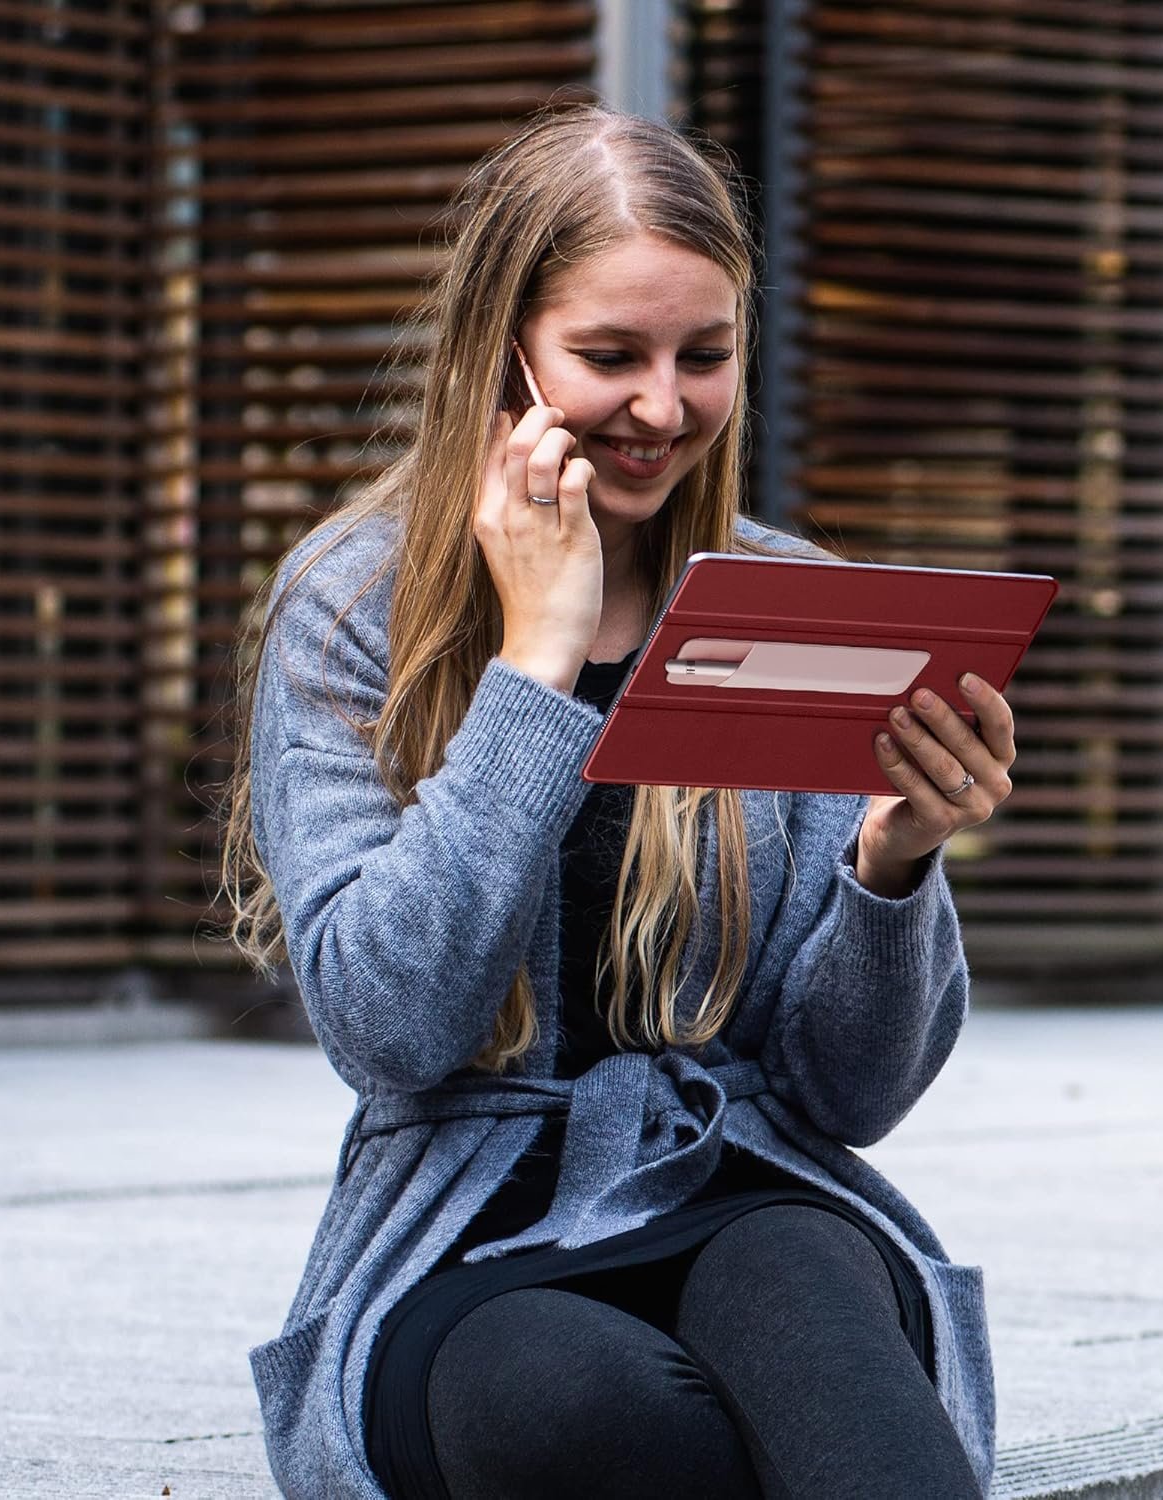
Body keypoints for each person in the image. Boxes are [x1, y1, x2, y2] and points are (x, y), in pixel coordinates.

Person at [219, 101, 1013, 1500]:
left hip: (744, 1191)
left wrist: (893, 867)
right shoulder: (351, 607)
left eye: (704, 356)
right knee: (577, 1411)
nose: (661, 407)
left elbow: (852, 1096)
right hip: (466, 1238)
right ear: (506, 352)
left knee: (811, 1299)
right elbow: (390, 1023)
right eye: (609, 356)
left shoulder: (793, 606)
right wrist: (536, 660)